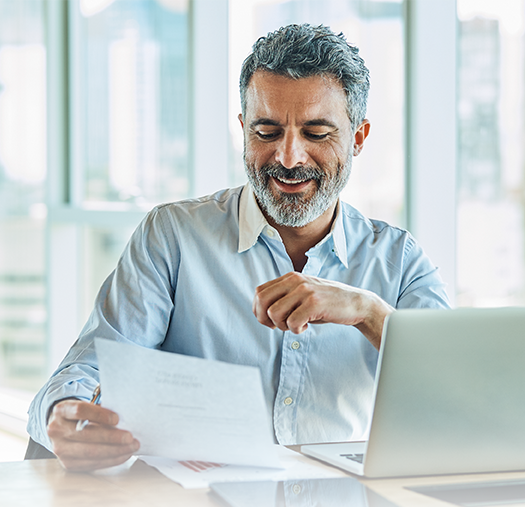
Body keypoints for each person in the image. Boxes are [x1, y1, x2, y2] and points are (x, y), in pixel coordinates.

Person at [27, 23, 450, 471]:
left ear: (358, 138)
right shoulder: (173, 237)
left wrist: (368, 312)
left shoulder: (400, 262)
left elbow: (459, 391)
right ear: (243, 129)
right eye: (266, 132)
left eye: (317, 134)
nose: (289, 158)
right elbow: (90, 369)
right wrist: (65, 416)